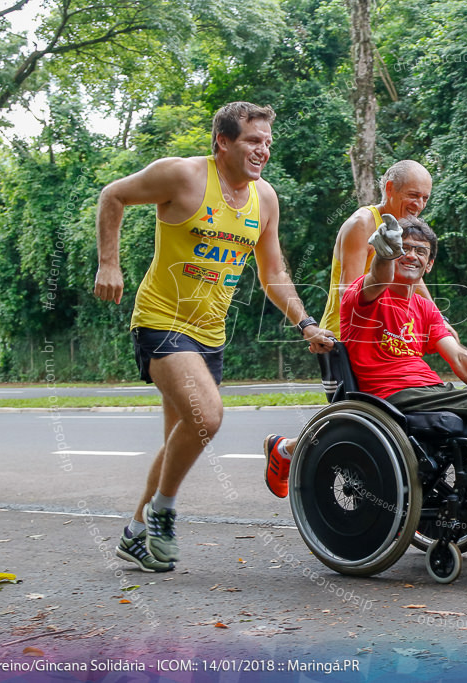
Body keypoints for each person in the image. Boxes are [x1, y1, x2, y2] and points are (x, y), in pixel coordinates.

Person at [93, 101, 334, 572]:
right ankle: (163, 510)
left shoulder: (265, 199)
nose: (262, 150)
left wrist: (305, 323)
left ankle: (135, 534)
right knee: (208, 416)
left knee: (177, 443)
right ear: (222, 141)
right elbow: (112, 195)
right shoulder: (183, 176)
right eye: (251, 140)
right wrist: (109, 262)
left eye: (267, 142)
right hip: (161, 321)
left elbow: (273, 272)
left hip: (211, 334)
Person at [278, 215, 467, 547]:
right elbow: (377, 278)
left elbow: (456, 357)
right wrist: (385, 253)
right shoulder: (362, 296)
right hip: (389, 398)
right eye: (404, 248)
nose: (411, 255)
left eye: (420, 251)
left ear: (429, 265)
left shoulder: (424, 308)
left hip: (430, 391)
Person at [261, 160, 440, 495]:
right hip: (345, 337)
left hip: (386, 336)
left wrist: (437, 321)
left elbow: (412, 283)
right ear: (390, 189)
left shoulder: (407, 231)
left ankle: (290, 451)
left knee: (370, 422)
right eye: (413, 195)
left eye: (425, 198)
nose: (418, 204)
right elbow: (353, 290)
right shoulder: (363, 224)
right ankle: (286, 451)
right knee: (351, 423)